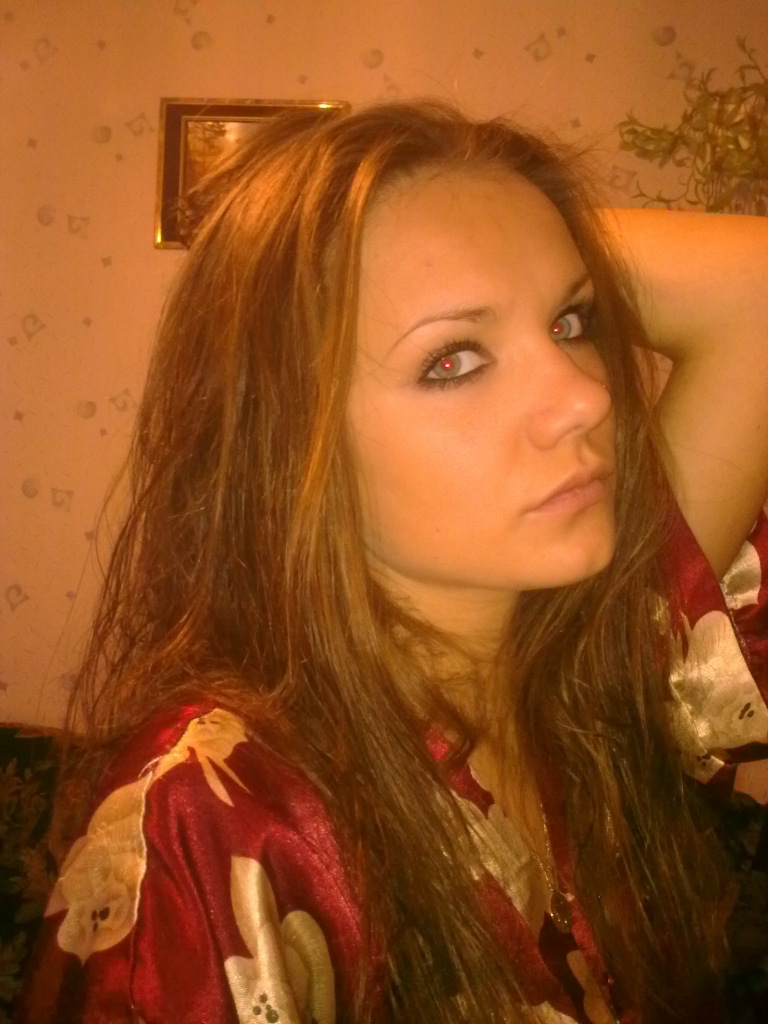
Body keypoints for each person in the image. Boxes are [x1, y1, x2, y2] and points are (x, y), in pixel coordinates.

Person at [18, 101, 768, 1023]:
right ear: (288, 441)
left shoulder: (605, 659)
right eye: (453, 360)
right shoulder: (216, 819)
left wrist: (485, 210)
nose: (583, 398)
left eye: (572, 321)